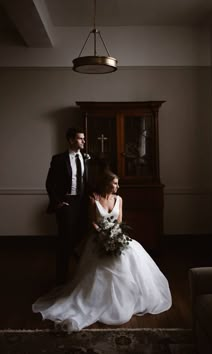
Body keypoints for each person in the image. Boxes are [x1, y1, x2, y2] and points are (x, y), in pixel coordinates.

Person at [32, 170, 172, 331]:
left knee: (128, 260)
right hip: (98, 237)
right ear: (106, 183)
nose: (118, 186)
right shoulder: (94, 199)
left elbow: (119, 222)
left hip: (116, 236)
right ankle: (95, 299)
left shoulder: (119, 199)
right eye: (115, 183)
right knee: (99, 269)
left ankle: (126, 298)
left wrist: (115, 236)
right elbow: (92, 221)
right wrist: (102, 234)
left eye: (118, 183)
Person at [46, 127, 90, 285]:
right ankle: (61, 279)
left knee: (81, 239)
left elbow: (87, 182)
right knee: (65, 240)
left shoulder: (85, 158)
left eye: (83, 138)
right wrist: (58, 203)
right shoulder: (58, 159)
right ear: (71, 140)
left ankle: (80, 277)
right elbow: (50, 183)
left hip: (83, 204)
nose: (84, 141)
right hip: (67, 203)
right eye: (80, 138)